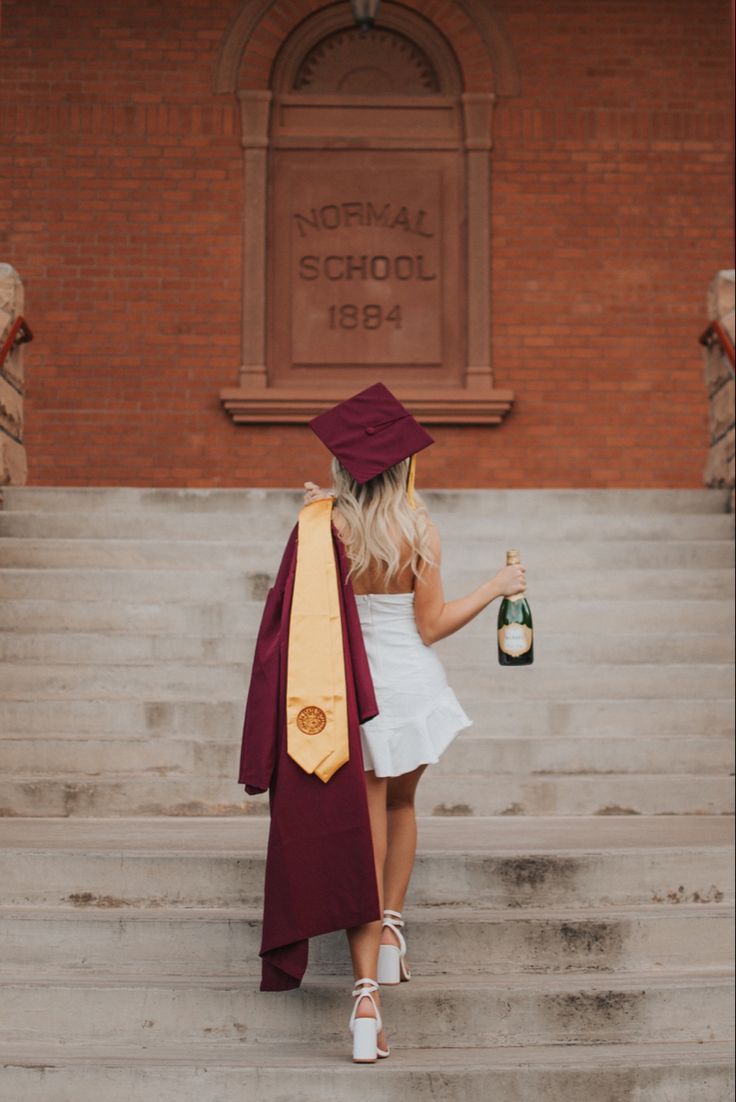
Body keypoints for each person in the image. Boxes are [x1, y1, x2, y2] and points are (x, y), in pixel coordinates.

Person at [301, 382, 527, 1062]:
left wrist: (312, 510)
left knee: (362, 837)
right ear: (402, 467)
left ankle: (365, 997)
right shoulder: (418, 528)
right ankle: (392, 932)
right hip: (410, 688)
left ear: (343, 469)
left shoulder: (323, 525)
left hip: (353, 695)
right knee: (402, 807)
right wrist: (495, 588)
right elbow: (429, 625)